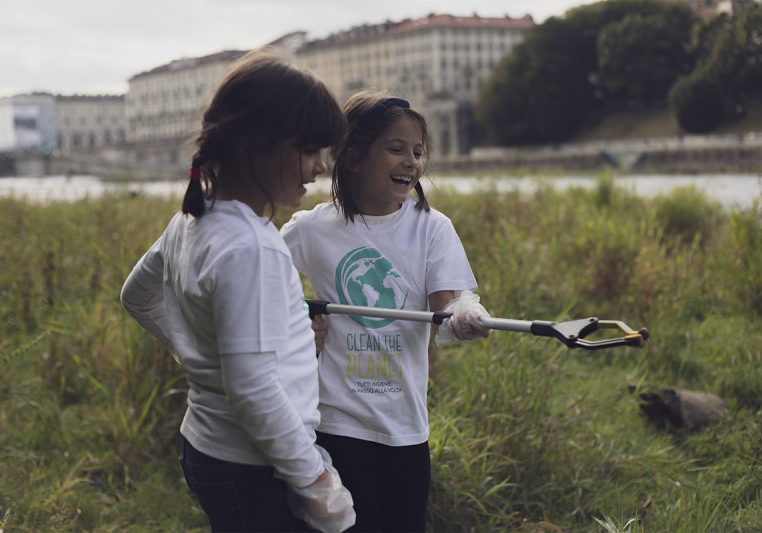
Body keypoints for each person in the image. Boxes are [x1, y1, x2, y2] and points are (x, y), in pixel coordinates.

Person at [120, 48, 356, 533]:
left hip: (207, 449)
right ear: (257, 143)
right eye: (309, 150)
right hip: (254, 464)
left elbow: (136, 296)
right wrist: (316, 482)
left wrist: (207, 359)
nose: (318, 168)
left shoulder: (192, 217)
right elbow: (251, 390)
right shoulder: (253, 247)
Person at [280, 91, 490, 532]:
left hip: (406, 426)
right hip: (336, 422)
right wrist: (298, 324)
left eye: (417, 152)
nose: (411, 162)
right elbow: (261, 286)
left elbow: (447, 312)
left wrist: (466, 316)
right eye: (396, 149)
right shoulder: (311, 229)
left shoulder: (432, 228)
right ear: (353, 156)